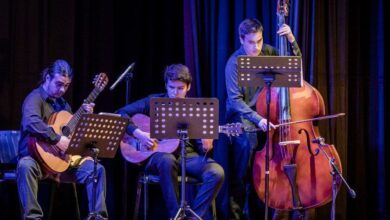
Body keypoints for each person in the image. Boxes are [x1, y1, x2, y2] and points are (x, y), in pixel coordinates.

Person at [116, 64, 225, 219]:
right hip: (158, 155)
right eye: (171, 88)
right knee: (167, 160)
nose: (175, 93)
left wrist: (207, 146)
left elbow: (203, 149)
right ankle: (176, 216)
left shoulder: (197, 109)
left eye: (180, 88)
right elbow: (121, 113)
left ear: (189, 87)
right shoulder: (154, 101)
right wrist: (139, 134)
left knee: (217, 172)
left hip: (188, 156)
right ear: (166, 85)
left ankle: (193, 217)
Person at [224, 18, 303, 220]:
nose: (256, 47)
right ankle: (237, 215)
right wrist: (258, 119)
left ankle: (266, 212)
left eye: (259, 41)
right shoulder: (234, 63)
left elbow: (294, 67)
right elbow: (235, 101)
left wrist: (292, 40)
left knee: (268, 165)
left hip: (268, 114)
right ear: (242, 40)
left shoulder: (268, 52)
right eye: (251, 42)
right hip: (243, 117)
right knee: (245, 162)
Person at [17, 59, 108, 219]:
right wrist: (56, 139)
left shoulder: (63, 104)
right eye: (59, 84)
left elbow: (72, 133)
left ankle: (98, 217)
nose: (62, 89)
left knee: (97, 169)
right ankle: (33, 217)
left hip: (62, 161)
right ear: (47, 79)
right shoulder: (35, 98)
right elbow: (31, 121)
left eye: (66, 85)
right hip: (37, 161)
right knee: (25, 166)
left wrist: (86, 117)